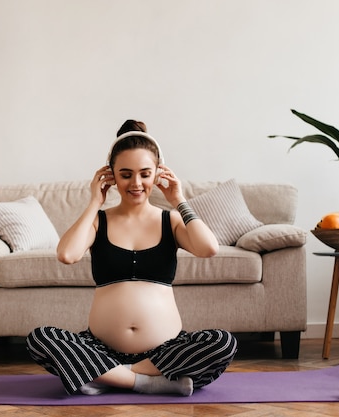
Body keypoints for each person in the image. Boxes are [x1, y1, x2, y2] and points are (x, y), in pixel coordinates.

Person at [26, 120, 237, 396]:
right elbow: (67, 254)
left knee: (223, 342)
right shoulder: (99, 222)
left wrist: (179, 200)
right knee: (40, 339)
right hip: (99, 347)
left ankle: (104, 375)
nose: (136, 183)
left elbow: (208, 248)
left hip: (165, 351)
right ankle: (147, 382)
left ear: (158, 174)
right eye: (125, 174)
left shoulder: (170, 220)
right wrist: (94, 202)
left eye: (145, 174)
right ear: (111, 176)